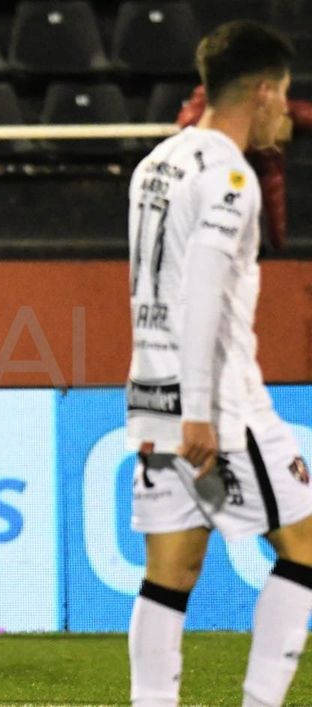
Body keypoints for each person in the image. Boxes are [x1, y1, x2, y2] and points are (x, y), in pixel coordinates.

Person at [125, 21, 312, 707]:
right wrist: (199, 410)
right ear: (262, 91)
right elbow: (201, 292)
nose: (284, 109)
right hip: (221, 404)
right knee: (306, 548)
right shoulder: (230, 174)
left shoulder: (157, 162)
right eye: (283, 94)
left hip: (151, 393)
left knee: (170, 573)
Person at [175, 83, 312, 250]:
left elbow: (293, 111)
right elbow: (190, 123)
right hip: (219, 187)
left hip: (257, 199)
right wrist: (252, 133)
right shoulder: (216, 93)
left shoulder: (270, 98)